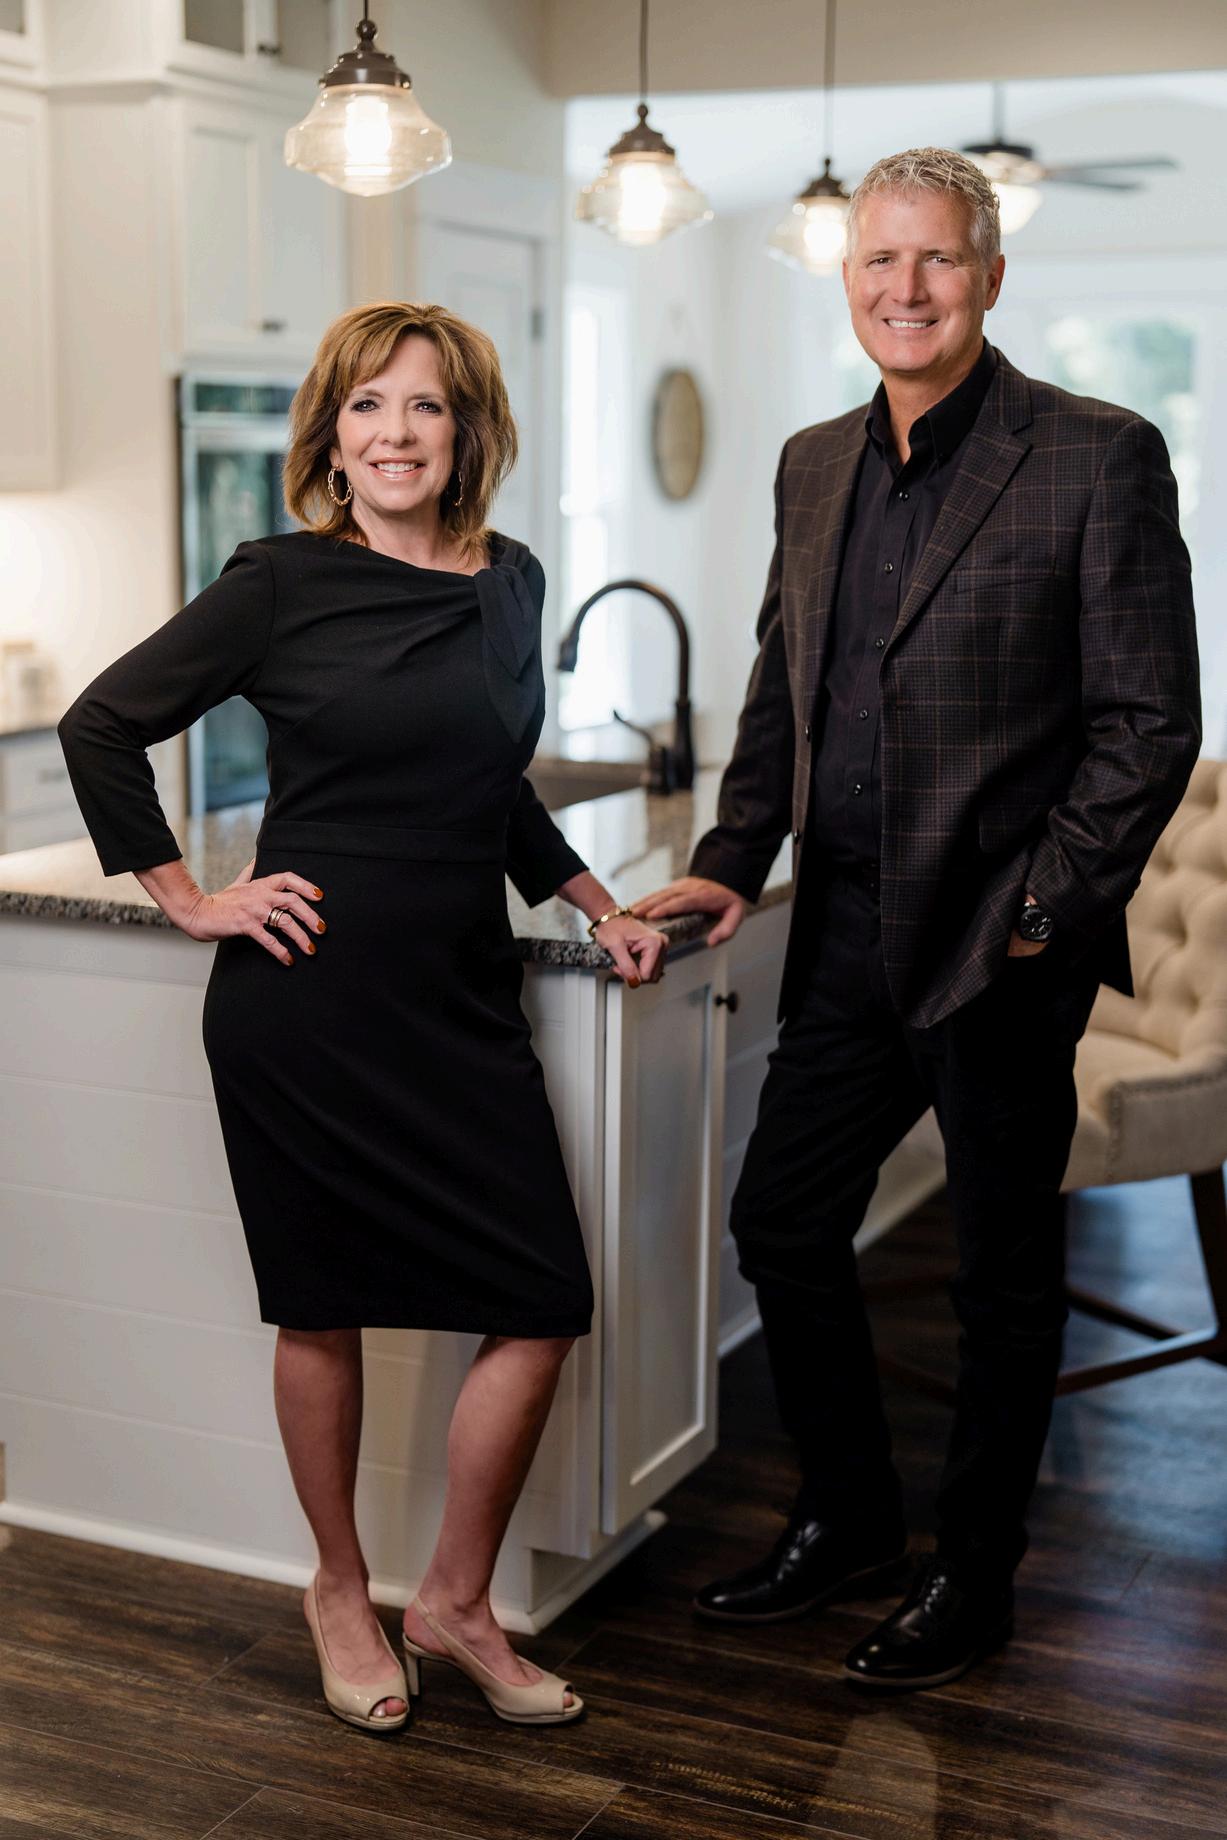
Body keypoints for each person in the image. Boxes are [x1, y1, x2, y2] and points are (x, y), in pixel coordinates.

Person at [633, 147, 1200, 1690]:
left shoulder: (1097, 453)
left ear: (990, 276)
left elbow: (1149, 724)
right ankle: (852, 1519)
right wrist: (732, 858)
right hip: (844, 934)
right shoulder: (812, 464)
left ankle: (976, 1576)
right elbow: (785, 687)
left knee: (1000, 1276)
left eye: (937, 259)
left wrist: (1042, 909)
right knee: (783, 1221)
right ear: (848, 280)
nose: (906, 288)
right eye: (879, 261)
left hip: (999, 944)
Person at [58, 300, 668, 1734]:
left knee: (540, 1302)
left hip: (459, 997)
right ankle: (339, 1587)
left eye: (426, 405)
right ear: (332, 438)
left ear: (469, 432)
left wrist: (598, 905)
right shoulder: (279, 582)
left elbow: (493, 789)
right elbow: (101, 724)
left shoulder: (511, 582)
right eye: (369, 406)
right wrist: (189, 899)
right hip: (309, 1006)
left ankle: (452, 1601)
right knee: (319, 1306)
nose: (397, 433)